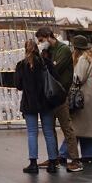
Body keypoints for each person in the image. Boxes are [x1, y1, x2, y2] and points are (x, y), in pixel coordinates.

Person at [37, 27, 80, 172]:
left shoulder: (63, 49)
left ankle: (75, 159)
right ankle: (53, 158)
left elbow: (54, 69)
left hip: (61, 94)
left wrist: (47, 62)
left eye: (41, 40)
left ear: (48, 36)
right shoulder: (47, 51)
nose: (40, 43)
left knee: (66, 127)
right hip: (49, 95)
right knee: (49, 129)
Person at [14, 39, 60, 173]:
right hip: (46, 102)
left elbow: (18, 85)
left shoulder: (21, 65)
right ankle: (52, 163)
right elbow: (56, 79)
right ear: (37, 48)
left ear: (25, 50)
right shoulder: (46, 63)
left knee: (32, 133)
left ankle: (33, 164)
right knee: (49, 132)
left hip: (29, 103)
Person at [68, 36, 92, 165]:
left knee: (75, 126)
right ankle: (89, 154)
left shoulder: (83, 59)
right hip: (90, 96)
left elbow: (78, 77)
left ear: (76, 48)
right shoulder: (91, 57)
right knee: (88, 128)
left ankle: (64, 153)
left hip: (83, 97)